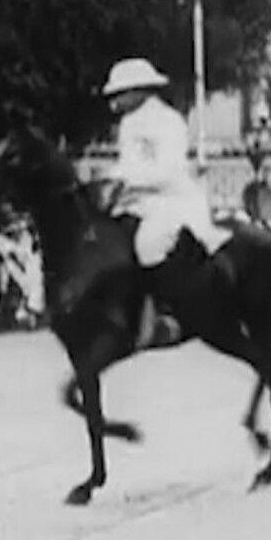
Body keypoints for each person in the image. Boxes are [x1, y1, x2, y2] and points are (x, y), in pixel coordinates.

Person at [100, 57, 230, 346]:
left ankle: (164, 312)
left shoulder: (169, 121)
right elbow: (126, 164)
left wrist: (129, 179)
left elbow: (169, 170)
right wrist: (112, 180)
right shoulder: (128, 124)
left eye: (120, 93)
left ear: (140, 91)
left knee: (148, 243)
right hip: (136, 199)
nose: (116, 100)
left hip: (172, 198)